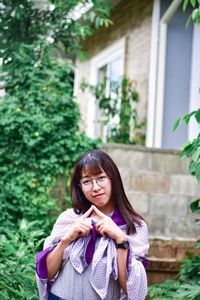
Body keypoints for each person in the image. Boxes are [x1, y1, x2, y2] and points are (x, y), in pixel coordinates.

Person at [36, 149, 149, 300]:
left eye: (101, 178)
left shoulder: (134, 226)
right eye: (87, 181)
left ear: (113, 179)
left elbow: (131, 290)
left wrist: (120, 240)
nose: (95, 187)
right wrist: (66, 240)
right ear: (80, 187)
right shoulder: (69, 219)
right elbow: (47, 273)